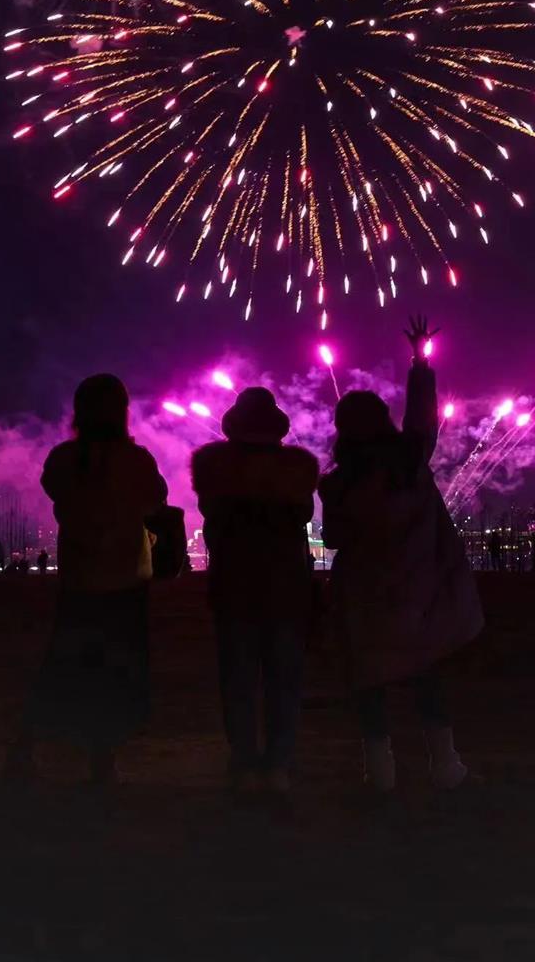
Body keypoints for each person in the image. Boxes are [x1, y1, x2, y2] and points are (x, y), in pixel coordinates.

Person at [320, 315, 484, 794]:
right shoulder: (409, 465)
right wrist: (420, 362)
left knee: (368, 683)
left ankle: (380, 775)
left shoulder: (338, 484)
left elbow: (332, 539)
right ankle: (446, 767)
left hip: (366, 596)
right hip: (416, 594)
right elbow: (421, 421)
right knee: (427, 677)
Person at [6, 373, 167, 785]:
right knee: (115, 671)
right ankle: (103, 757)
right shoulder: (137, 461)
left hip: (79, 578)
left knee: (64, 665)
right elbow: (155, 499)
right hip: (125, 580)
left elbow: (55, 490)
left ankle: (26, 743)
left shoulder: (63, 459)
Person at [192, 386, 319, 797]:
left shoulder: (214, 470)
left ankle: (244, 762)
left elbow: (213, 520)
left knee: (238, 680)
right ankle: (279, 764)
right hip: (286, 589)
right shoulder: (297, 471)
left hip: (234, 588)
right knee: (284, 680)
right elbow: (302, 515)